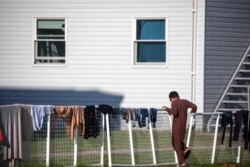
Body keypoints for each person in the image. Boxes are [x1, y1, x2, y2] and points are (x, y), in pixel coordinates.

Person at [162, 91, 197, 167]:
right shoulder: (184, 101)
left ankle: (182, 163)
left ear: (172, 98)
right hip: (183, 126)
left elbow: (175, 113)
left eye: (170, 100)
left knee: (177, 146)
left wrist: (166, 108)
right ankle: (185, 149)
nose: (171, 101)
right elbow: (194, 106)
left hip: (176, 127)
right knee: (177, 142)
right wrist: (192, 112)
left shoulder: (174, 103)